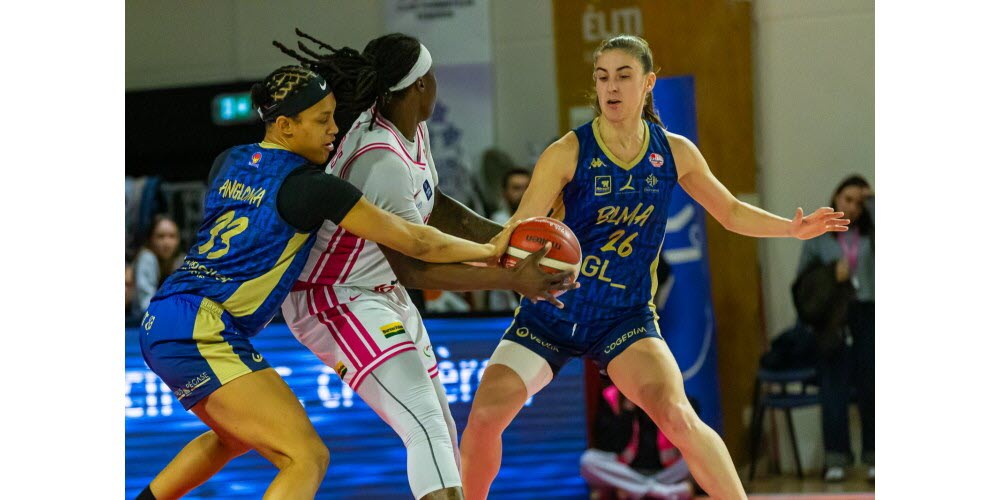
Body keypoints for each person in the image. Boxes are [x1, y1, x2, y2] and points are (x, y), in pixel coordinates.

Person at [458, 34, 850, 500]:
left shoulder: (674, 151)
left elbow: (729, 211)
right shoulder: (568, 152)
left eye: (624, 76)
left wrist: (791, 229)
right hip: (552, 312)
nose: (612, 87)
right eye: (603, 77)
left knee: (678, 415)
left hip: (622, 319)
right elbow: (516, 233)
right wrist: (453, 255)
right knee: (483, 419)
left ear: (648, 83)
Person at [135, 65, 518, 500]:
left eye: (336, 116)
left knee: (234, 437)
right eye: (321, 120)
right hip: (202, 327)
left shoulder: (228, 161)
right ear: (284, 125)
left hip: (168, 316)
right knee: (307, 457)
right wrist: (492, 251)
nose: (334, 129)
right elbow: (414, 241)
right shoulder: (311, 188)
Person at [272, 31, 577, 500]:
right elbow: (418, 269)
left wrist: (505, 239)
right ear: (418, 87)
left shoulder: (411, 130)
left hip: (379, 290)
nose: (437, 85)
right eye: (432, 77)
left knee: (440, 428)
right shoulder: (380, 161)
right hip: (332, 298)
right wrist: (511, 278)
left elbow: (434, 207)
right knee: (424, 423)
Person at [796, 175, 874, 482]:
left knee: (872, 385)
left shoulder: (872, 233)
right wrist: (832, 274)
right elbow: (805, 282)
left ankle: (874, 455)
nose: (853, 207)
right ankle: (835, 458)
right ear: (836, 197)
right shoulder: (820, 233)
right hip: (832, 317)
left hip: (868, 311)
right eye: (848, 199)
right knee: (834, 386)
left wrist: (875, 202)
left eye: (860, 201)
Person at [581, 383, 693, 500]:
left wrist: (666, 405)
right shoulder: (613, 396)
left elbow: (690, 431)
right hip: (628, 472)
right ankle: (657, 490)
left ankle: (640, 489)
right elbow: (607, 444)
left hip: (665, 472)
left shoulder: (670, 393)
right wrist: (627, 411)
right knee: (589, 461)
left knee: (698, 455)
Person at [134, 215, 185, 314]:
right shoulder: (147, 258)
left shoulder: (181, 261)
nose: (166, 242)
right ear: (151, 239)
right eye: (160, 236)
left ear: (178, 239)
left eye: (172, 236)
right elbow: (146, 304)